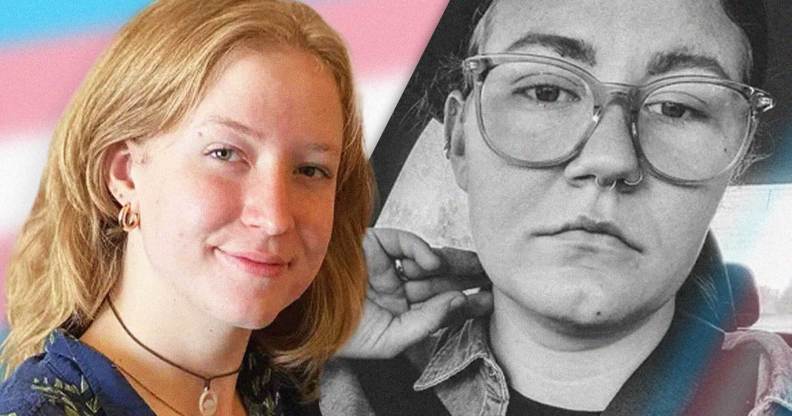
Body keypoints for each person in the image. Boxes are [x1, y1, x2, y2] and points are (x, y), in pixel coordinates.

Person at [322, 0, 792, 415]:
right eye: (546, 91)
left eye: (677, 108)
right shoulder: (317, 376)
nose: (610, 158)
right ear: (459, 140)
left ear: (737, 158)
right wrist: (296, 329)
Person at [0, 0, 372, 415]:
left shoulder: (289, 391)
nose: (275, 218)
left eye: (310, 169)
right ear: (124, 175)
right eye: (225, 153)